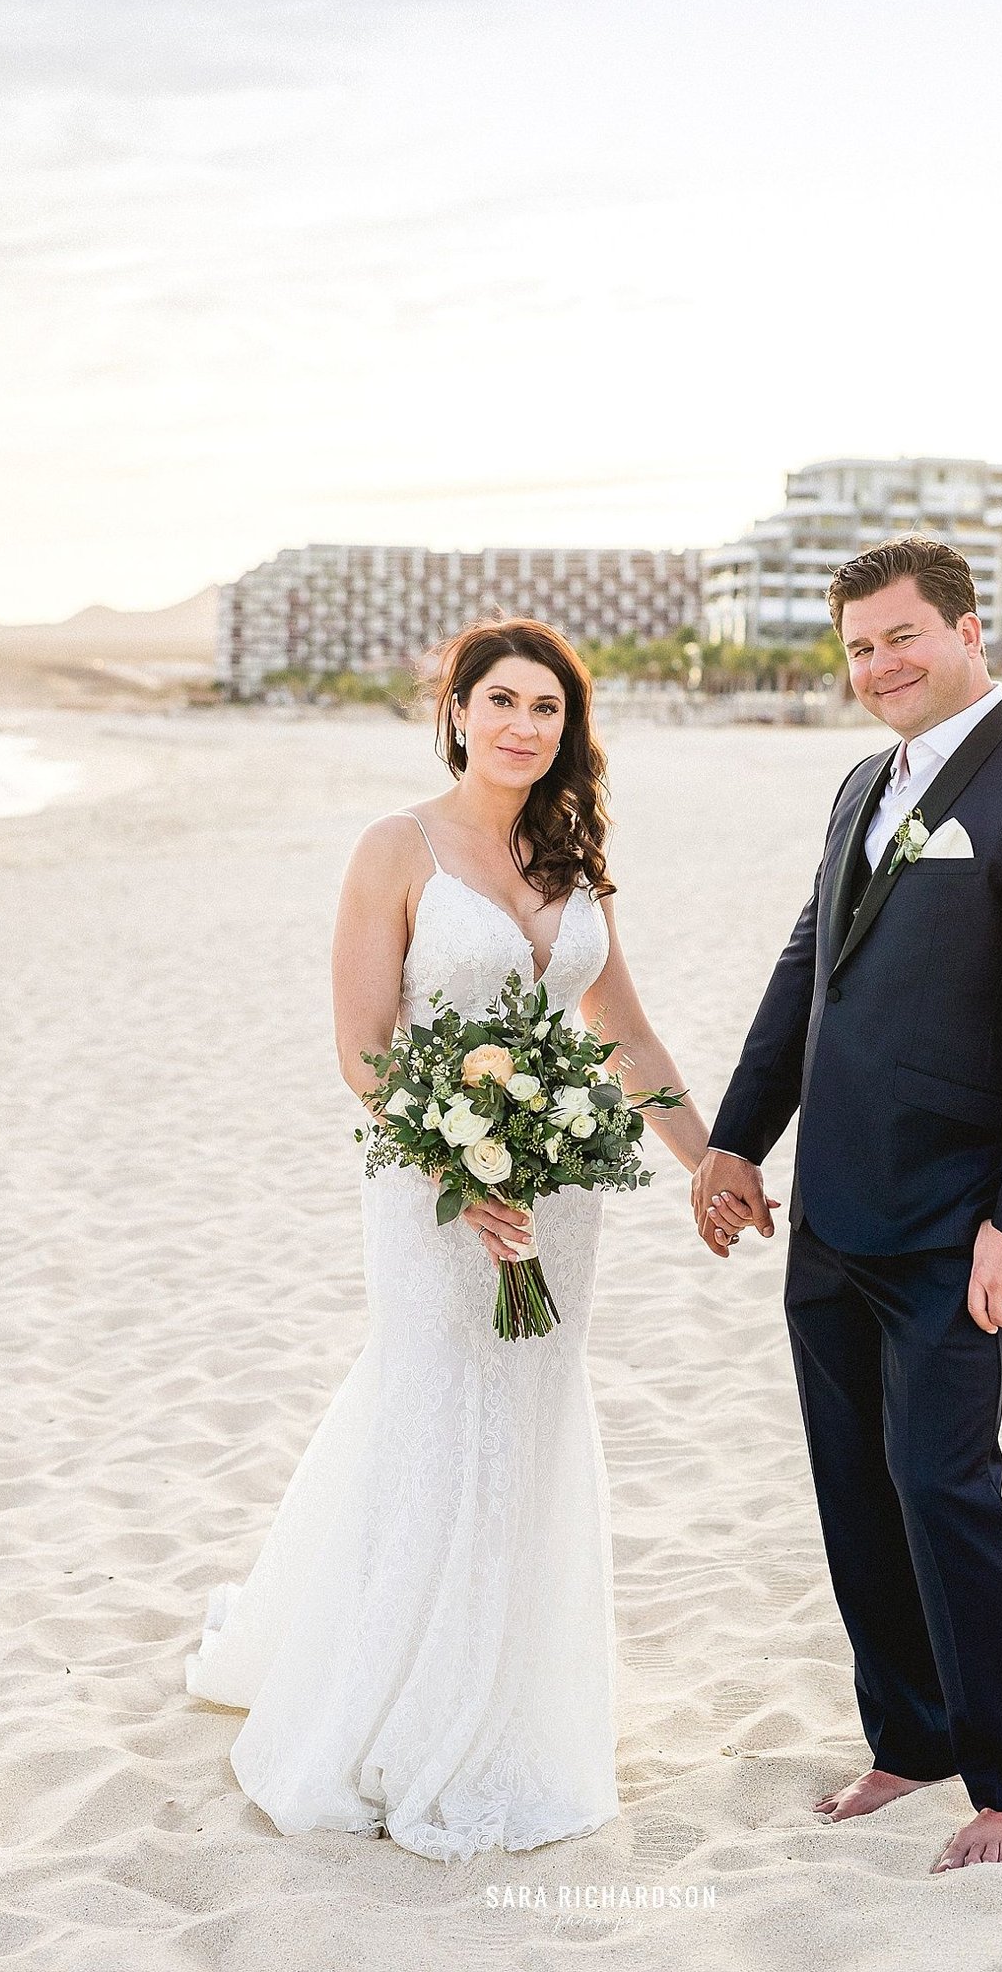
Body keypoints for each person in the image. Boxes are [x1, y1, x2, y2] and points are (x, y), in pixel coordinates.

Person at [186, 617, 712, 1860]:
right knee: (431, 1406)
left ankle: (508, 1704)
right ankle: (392, 1706)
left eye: (549, 709)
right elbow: (366, 1049)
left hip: (559, 1200)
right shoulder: (397, 847)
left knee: (528, 1419)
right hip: (433, 1196)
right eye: (504, 702)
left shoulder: (571, 857)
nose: (526, 726)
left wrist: (710, 1160)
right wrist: (453, 1168)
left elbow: (622, 1031)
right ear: (459, 711)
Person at [695, 536, 1002, 1873]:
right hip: (828, 1214)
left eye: (901, 637)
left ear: (970, 630)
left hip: (958, 1221)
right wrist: (736, 1140)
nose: (878, 666)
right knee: (855, 1490)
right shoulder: (861, 787)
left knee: (947, 1489)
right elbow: (804, 966)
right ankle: (912, 1739)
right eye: (858, 647)